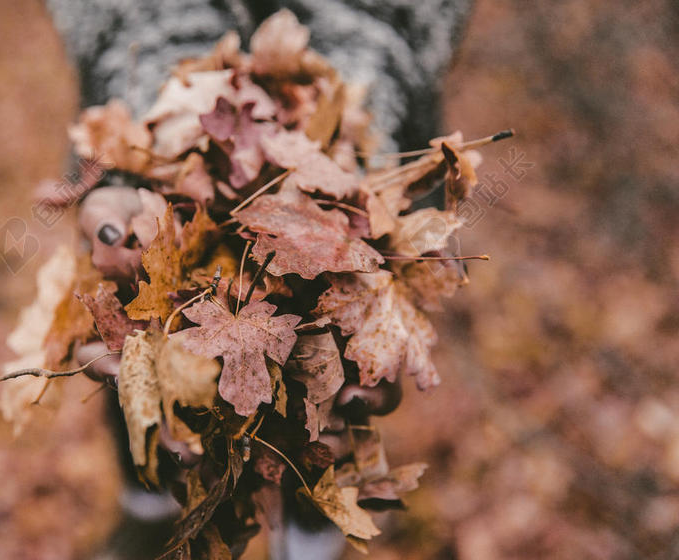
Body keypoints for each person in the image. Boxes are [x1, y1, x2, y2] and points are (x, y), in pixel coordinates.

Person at [45, 2, 472, 558]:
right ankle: (148, 513)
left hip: (357, 147)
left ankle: (312, 530)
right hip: (157, 130)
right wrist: (161, 140)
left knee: (328, 372)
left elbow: (401, 15)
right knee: (138, 327)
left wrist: (352, 159)